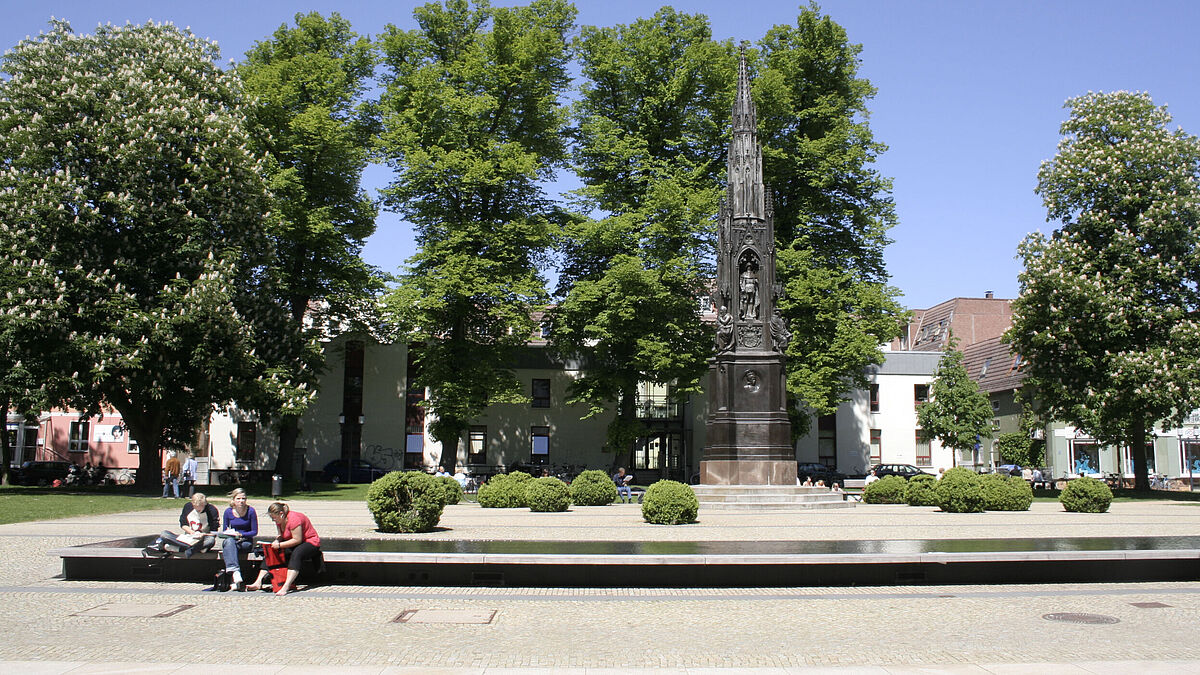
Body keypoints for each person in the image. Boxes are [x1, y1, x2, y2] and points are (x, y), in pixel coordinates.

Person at [247, 502, 321, 596]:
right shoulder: (279, 520)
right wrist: (277, 541)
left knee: (297, 554)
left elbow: (297, 540)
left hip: (310, 542)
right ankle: (258, 582)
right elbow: (281, 535)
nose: (273, 520)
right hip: (293, 542)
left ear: (281, 514)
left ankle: (286, 586)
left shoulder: (294, 519)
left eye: (274, 518)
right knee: (271, 552)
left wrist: (280, 545)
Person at [218, 487, 257, 592]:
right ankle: (235, 573)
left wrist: (241, 534)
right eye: (238, 499)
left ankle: (233, 575)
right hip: (232, 540)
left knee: (229, 547)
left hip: (245, 542)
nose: (241, 501)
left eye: (243, 498)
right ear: (233, 500)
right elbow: (225, 530)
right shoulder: (228, 512)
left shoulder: (251, 511)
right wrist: (231, 533)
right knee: (229, 542)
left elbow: (254, 531)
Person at [178, 492, 219, 558]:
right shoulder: (187, 507)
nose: (198, 510)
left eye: (201, 507)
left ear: (205, 504)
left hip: (204, 538)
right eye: (195, 507)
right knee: (165, 534)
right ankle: (197, 548)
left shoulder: (212, 510)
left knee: (211, 540)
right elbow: (183, 524)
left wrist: (203, 534)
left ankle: (190, 549)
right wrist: (192, 532)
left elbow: (213, 532)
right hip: (190, 536)